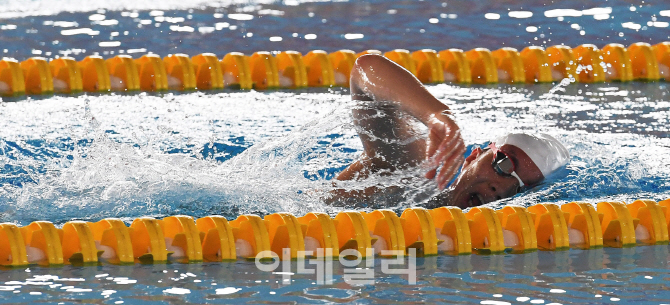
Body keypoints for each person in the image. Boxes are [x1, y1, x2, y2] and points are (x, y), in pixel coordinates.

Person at [333, 54, 569, 208]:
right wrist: (438, 115)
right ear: (473, 157)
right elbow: (367, 69)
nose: (502, 188)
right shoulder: (408, 176)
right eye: (504, 165)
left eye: (521, 188)